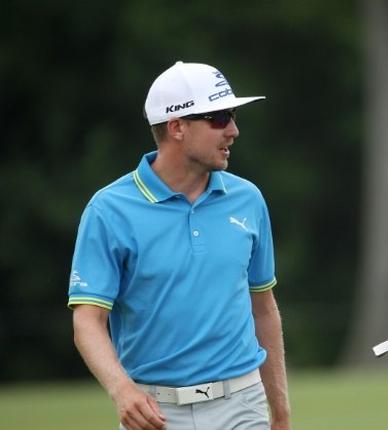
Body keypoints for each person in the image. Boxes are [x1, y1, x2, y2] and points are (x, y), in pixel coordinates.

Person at [68, 61, 290, 430]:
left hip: (242, 406)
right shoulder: (108, 210)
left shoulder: (247, 199)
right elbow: (87, 321)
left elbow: (263, 308)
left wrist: (280, 413)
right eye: (219, 118)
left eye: (232, 116)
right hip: (154, 414)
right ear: (177, 127)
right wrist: (122, 390)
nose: (233, 130)